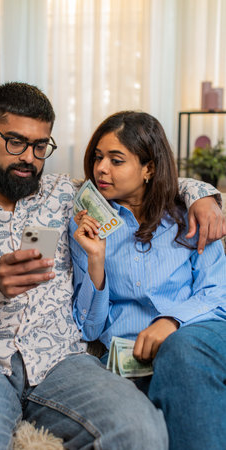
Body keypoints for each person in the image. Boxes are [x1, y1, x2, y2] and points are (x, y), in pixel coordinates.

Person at [0, 84, 223, 450]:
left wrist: (205, 197)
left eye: (40, 146)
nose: (28, 159)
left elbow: (147, 179)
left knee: (142, 431)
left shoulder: (68, 196)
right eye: (15, 142)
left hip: (60, 360)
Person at [69, 110, 226, 450]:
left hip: (197, 336)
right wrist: (95, 260)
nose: (101, 169)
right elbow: (90, 329)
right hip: (128, 359)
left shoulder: (190, 215)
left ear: (149, 168)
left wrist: (171, 321)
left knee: (180, 350)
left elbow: (219, 297)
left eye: (116, 160)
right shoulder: (85, 225)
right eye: (98, 157)